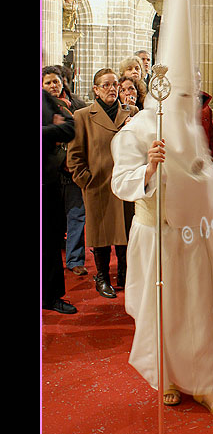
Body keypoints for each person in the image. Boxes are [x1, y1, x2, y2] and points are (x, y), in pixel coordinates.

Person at [111, 0, 213, 417]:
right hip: (157, 236)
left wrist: (199, 181)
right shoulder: (139, 129)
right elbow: (123, 181)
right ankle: (166, 377)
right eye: (178, 90)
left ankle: (203, 381)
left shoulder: (190, 128)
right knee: (161, 313)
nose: (185, 99)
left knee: (199, 313)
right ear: (160, 86)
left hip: (192, 239)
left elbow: (207, 178)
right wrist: (150, 169)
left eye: (189, 90)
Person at [66, 69, 138, 299]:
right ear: (96, 89)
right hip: (99, 185)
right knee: (101, 235)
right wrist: (86, 180)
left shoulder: (132, 112)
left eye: (115, 84)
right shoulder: (83, 116)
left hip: (126, 183)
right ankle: (103, 277)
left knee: (126, 232)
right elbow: (74, 155)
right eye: (106, 85)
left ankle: (125, 274)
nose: (112, 88)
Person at [42, 66, 88, 277]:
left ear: (63, 82)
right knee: (50, 218)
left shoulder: (78, 105)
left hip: (72, 169)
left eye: (56, 81)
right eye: (48, 82)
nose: (53, 86)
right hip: (49, 170)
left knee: (77, 214)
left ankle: (75, 259)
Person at [42, 88, 77, 313]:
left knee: (51, 241)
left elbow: (70, 128)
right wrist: (51, 129)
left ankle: (51, 296)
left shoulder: (45, 98)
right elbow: (58, 129)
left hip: (47, 181)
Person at [196, 70, 213, 176]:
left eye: (198, 81)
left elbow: (212, 139)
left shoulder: (205, 108)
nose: (196, 84)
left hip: (205, 162)